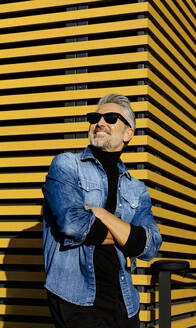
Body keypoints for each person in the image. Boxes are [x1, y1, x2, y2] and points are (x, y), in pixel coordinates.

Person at [42, 94, 162, 327]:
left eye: (111, 117)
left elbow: (150, 245)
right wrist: (128, 237)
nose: (100, 122)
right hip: (75, 298)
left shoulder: (137, 189)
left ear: (128, 133)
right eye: (95, 117)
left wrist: (101, 213)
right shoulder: (66, 165)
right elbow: (73, 225)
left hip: (125, 302)